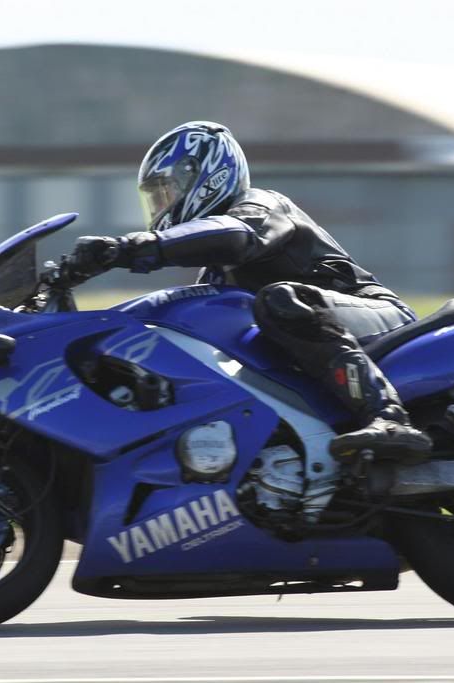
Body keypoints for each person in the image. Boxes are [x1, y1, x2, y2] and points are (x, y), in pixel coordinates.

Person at [69, 121, 432, 464]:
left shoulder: (262, 207)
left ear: (208, 176)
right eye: (156, 198)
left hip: (379, 317)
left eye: (168, 192)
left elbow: (239, 235)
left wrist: (134, 247)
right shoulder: (214, 274)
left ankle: (390, 417)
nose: (162, 207)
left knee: (282, 299)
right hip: (322, 344)